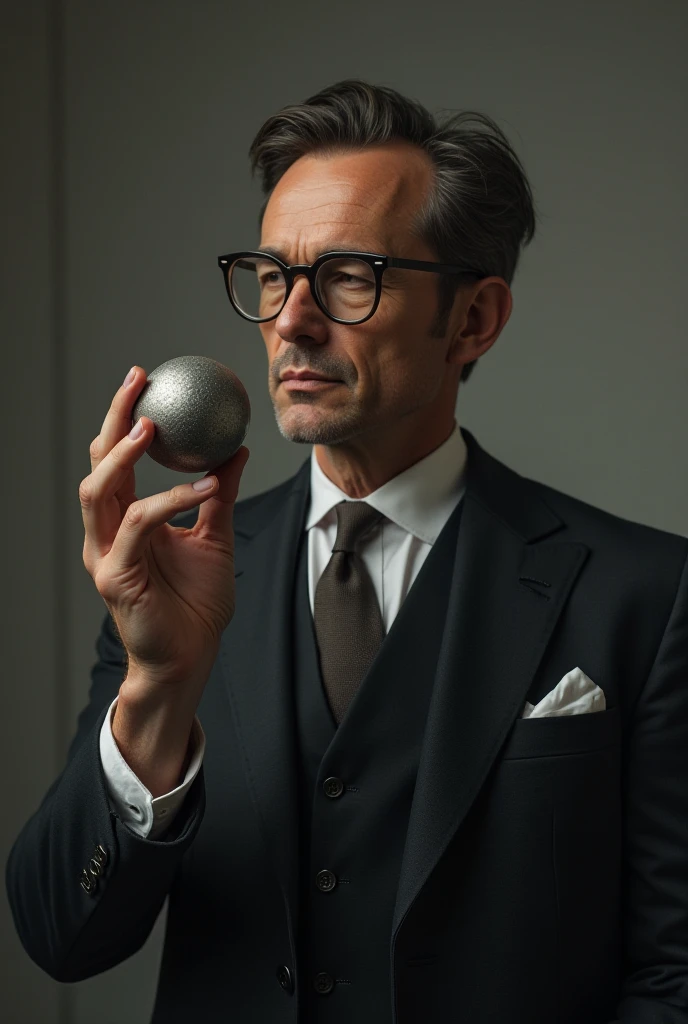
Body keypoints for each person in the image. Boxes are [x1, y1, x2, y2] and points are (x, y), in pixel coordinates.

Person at [6, 78, 688, 1024]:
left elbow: (676, 973)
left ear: (475, 320)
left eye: (349, 276)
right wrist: (157, 686)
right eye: (274, 275)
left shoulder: (645, 594)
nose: (290, 320)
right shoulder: (172, 574)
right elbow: (59, 936)